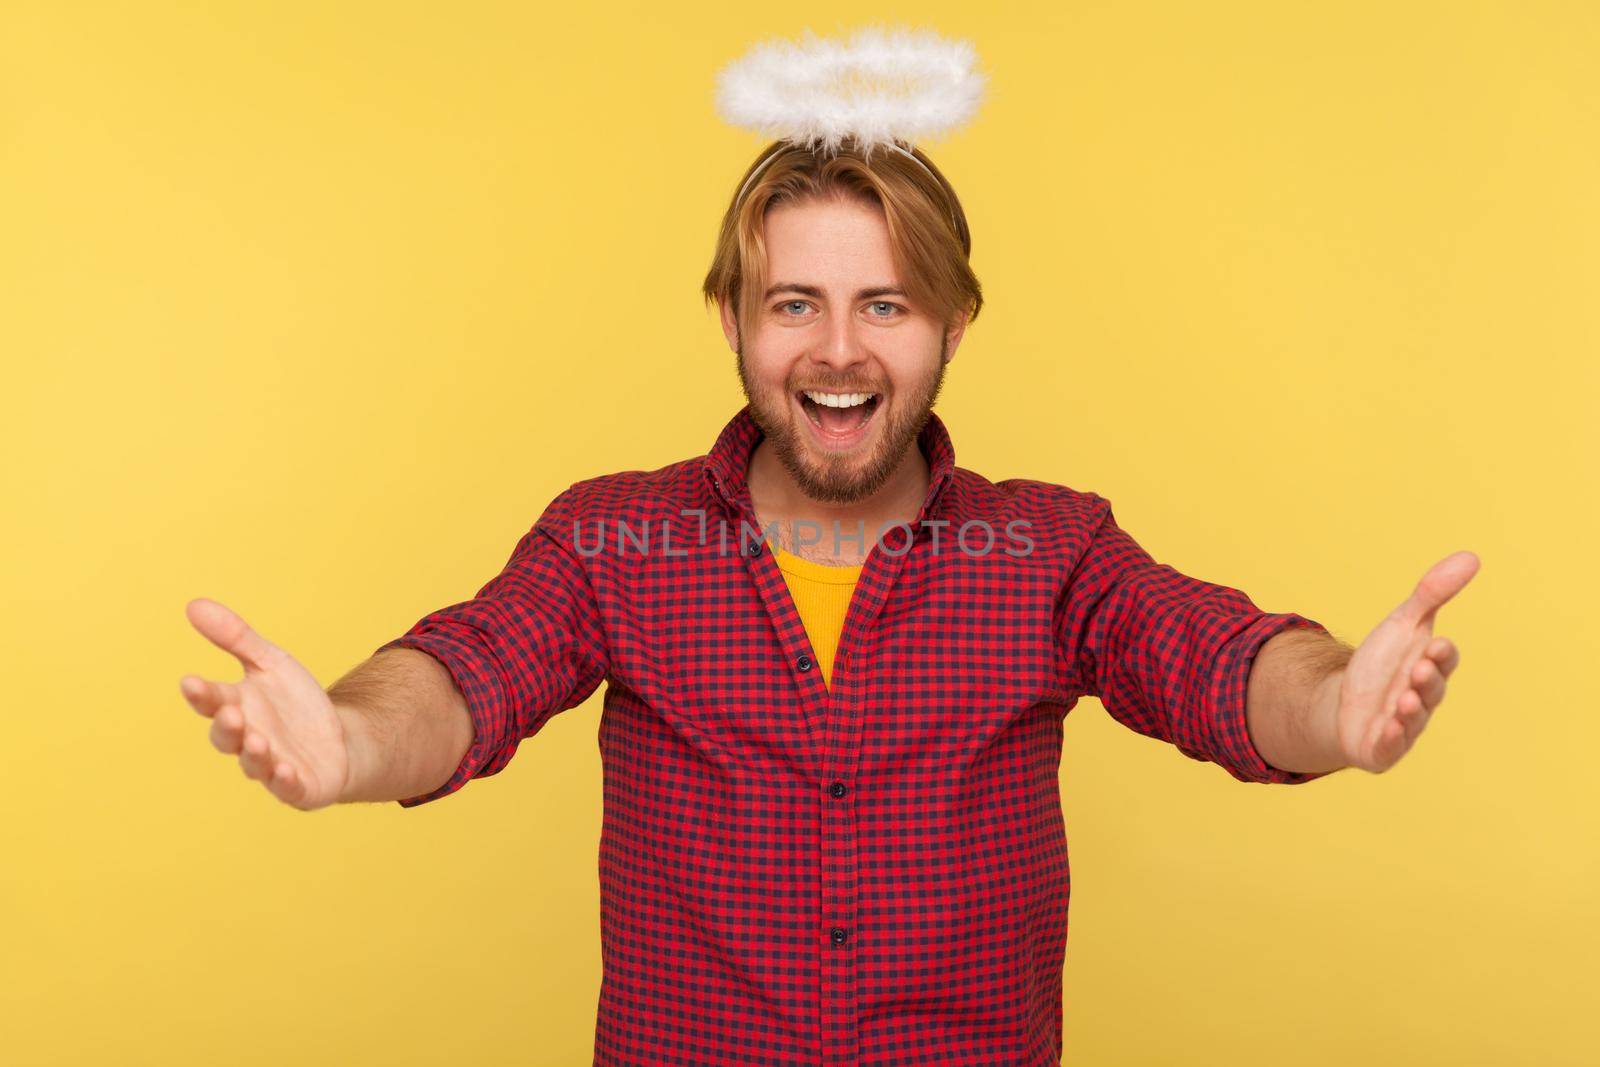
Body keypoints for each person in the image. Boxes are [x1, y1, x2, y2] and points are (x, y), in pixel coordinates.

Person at [179, 27, 1478, 1067]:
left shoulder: (1055, 550)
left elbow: (1211, 661)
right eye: (793, 302)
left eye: (886, 305)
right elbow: (462, 676)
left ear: (954, 324)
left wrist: (1332, 702)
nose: (840, 352)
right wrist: (351, 743)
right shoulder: (610, 541)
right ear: (733, 320)